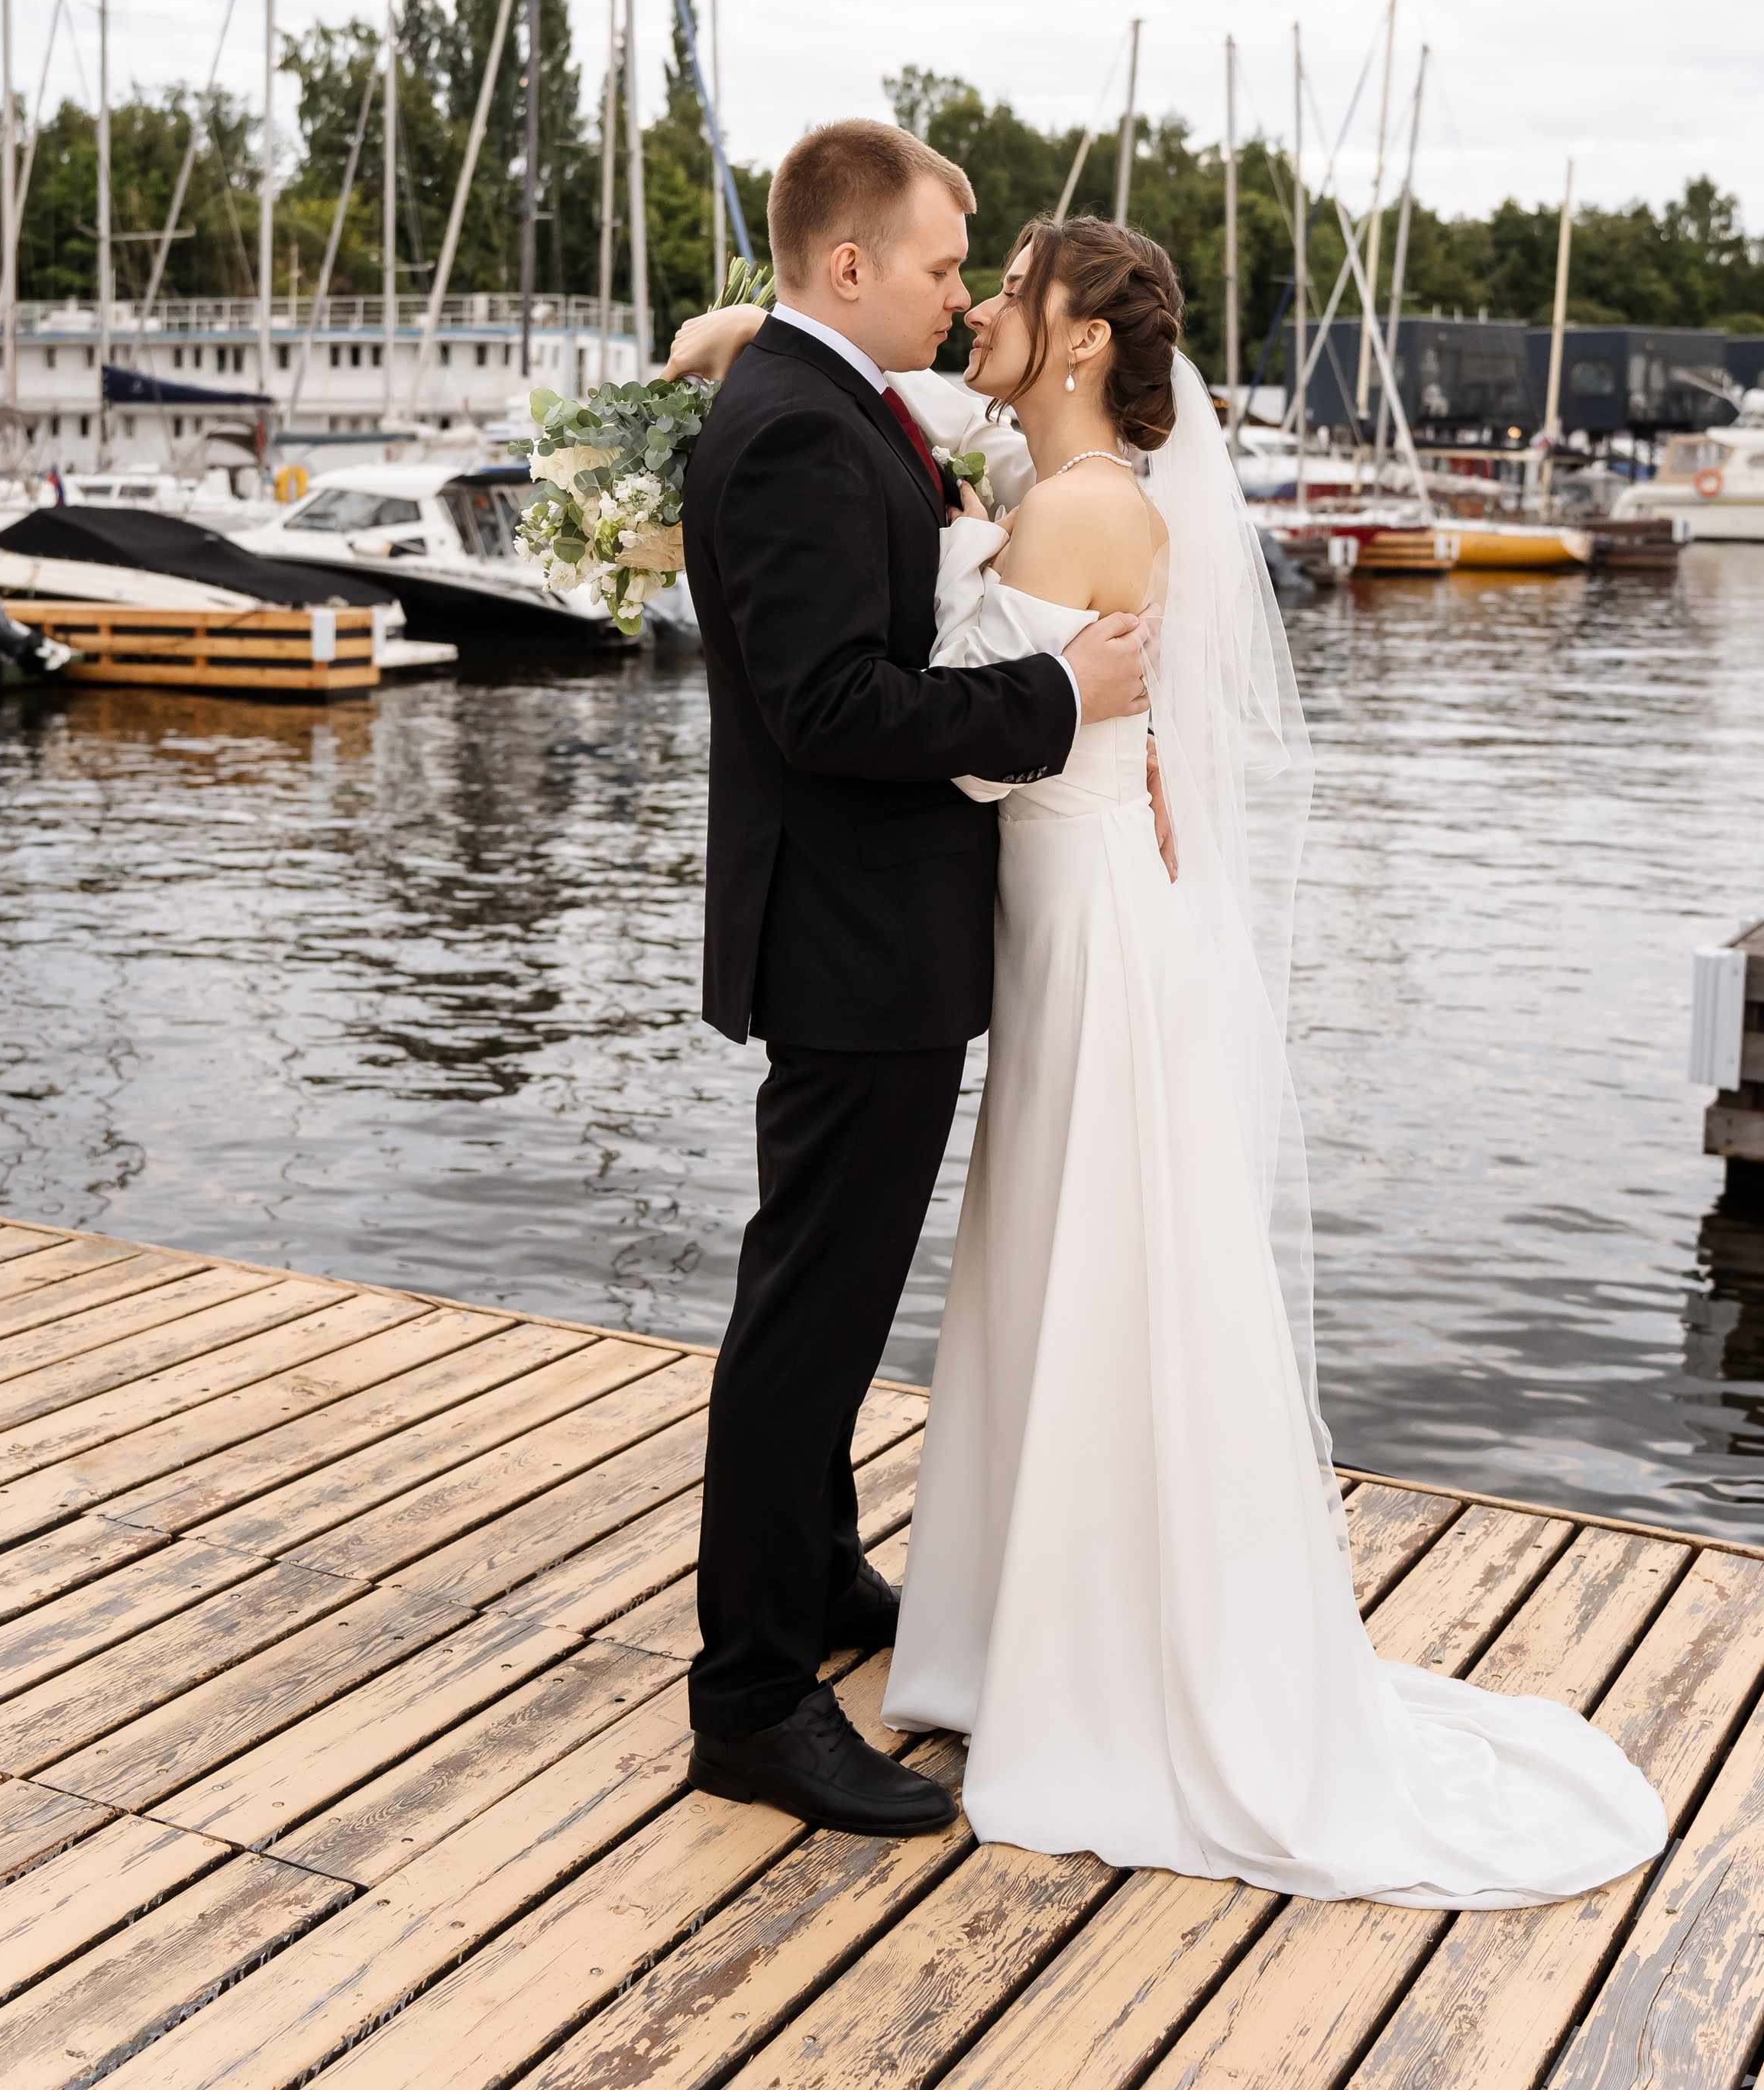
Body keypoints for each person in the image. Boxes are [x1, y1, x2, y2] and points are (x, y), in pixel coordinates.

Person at [876, 215, 1665, 1907]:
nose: (993, 309)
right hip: (1090, 919)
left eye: (1018, 288)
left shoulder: (1079, 508)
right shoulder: (1076, 494)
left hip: (1081, 921)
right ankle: (1055, 1630)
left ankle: (1094, 1675)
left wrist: (946, 584)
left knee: (1089, 1266)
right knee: (1090, 1264)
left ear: (1084, 338)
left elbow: (979, 760)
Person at [677, 120, 1151, 1837]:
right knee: (806, 1318)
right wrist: (1055, 701)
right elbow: (830, 710)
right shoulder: (799, 432)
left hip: (860, 932)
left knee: (824, 1297)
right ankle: (744, 1698)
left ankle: (808, 1586)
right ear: (851, 265)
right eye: (946, 267)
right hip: (851, 941)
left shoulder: (829, 401)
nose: (964, 297)